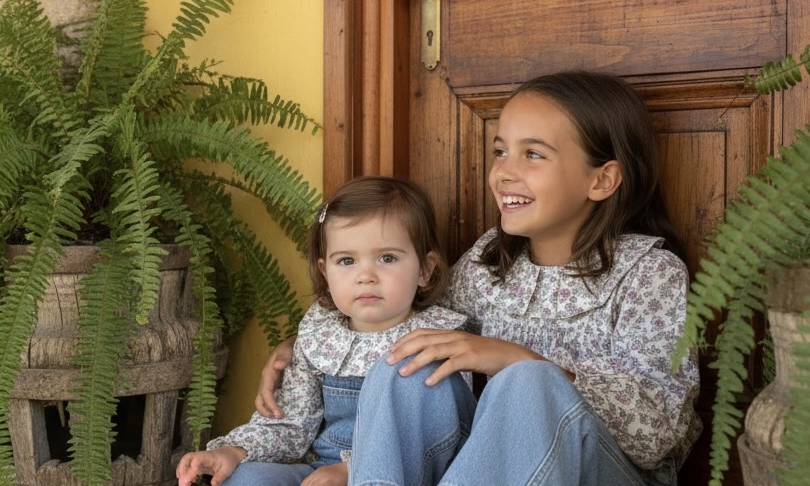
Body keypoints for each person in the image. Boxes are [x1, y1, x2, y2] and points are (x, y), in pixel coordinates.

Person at [256, 71, 702, 486]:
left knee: (527, 383)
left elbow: (658, 435)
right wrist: (305, 348)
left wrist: (518, 360)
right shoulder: (487, 262)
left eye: (533, 154)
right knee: (413, 361)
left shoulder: (650, 274)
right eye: (501, 151)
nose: (504, 172)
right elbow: (401, 317)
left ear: (602, 180)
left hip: (602, 472)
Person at [176, 176, 468, 486]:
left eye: (387, 258)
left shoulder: (439, 340)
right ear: (324, 272)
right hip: (322, 469)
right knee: (247, 478)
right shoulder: (321, 337)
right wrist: (232, 452)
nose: (366, 275)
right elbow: (290, 425)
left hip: (401, 474)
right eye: (346, 260)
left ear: (425, 269)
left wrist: (351, 471)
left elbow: (439, 436)